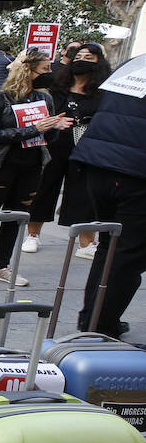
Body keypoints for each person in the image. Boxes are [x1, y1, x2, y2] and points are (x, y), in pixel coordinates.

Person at [0, 49, 73, 288]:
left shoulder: (45, 99)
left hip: (31, 168)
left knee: (15, 217)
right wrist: (36, 128)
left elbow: (47, 139)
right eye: (44, 69)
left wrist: (54, 128)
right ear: (28, 71)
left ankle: (1, 266)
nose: (49, 73)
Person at [69, 56, 145, 336]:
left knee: (108, 248)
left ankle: (92, 318)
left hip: (98, 162)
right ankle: (100, 324)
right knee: (126, 255)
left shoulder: (136, 64)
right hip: (134, 172)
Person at [25, 43, 111, 258]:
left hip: (86, 147)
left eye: (88, 57)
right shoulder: (56, 86)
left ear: (98, 62)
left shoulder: (103, 92)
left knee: (85, 193)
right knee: (45, 188)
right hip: (56, 143)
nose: (82, 59)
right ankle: (32, 235)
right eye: (78, 56)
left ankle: (85, 243)